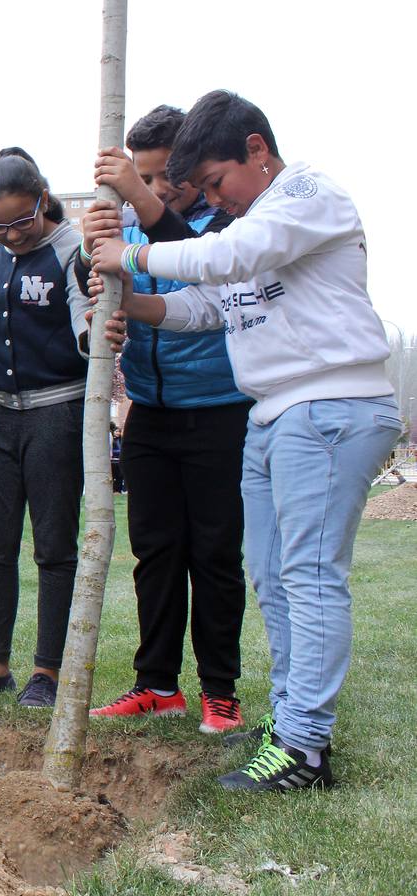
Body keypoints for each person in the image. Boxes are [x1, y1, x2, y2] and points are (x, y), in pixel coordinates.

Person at [89, 90, 400, 791]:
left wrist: (135, 250)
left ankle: (305, 748)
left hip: (328, 404)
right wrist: (127, 296)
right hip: (272, 415)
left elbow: (228, 256)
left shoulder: (305, 197)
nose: (216, 200)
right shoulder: (253, 224)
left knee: (311, 577)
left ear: (257, 150)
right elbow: (208, 307)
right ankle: (290, 721)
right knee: (273, 576)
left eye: (217, 183)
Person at [73, 104, 253, 736]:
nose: (152, 191)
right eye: (140, 179)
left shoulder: (228, 223)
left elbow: (191, 273)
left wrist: (135, 209)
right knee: (155, 553)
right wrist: (102, 309)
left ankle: (220, 692)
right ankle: (156, 685)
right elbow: (99, 283)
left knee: (214, 554)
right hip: (148, 412)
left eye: (160, 178)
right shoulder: (128, 224)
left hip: (219, 411)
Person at [0, 148, 91, 709]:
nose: (10, 235)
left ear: (42, 199)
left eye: (21, 221)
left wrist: (92, 340)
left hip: (58, 409)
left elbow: (86, 312)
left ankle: (47, 673)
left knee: (54, 545)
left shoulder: (71, 248)